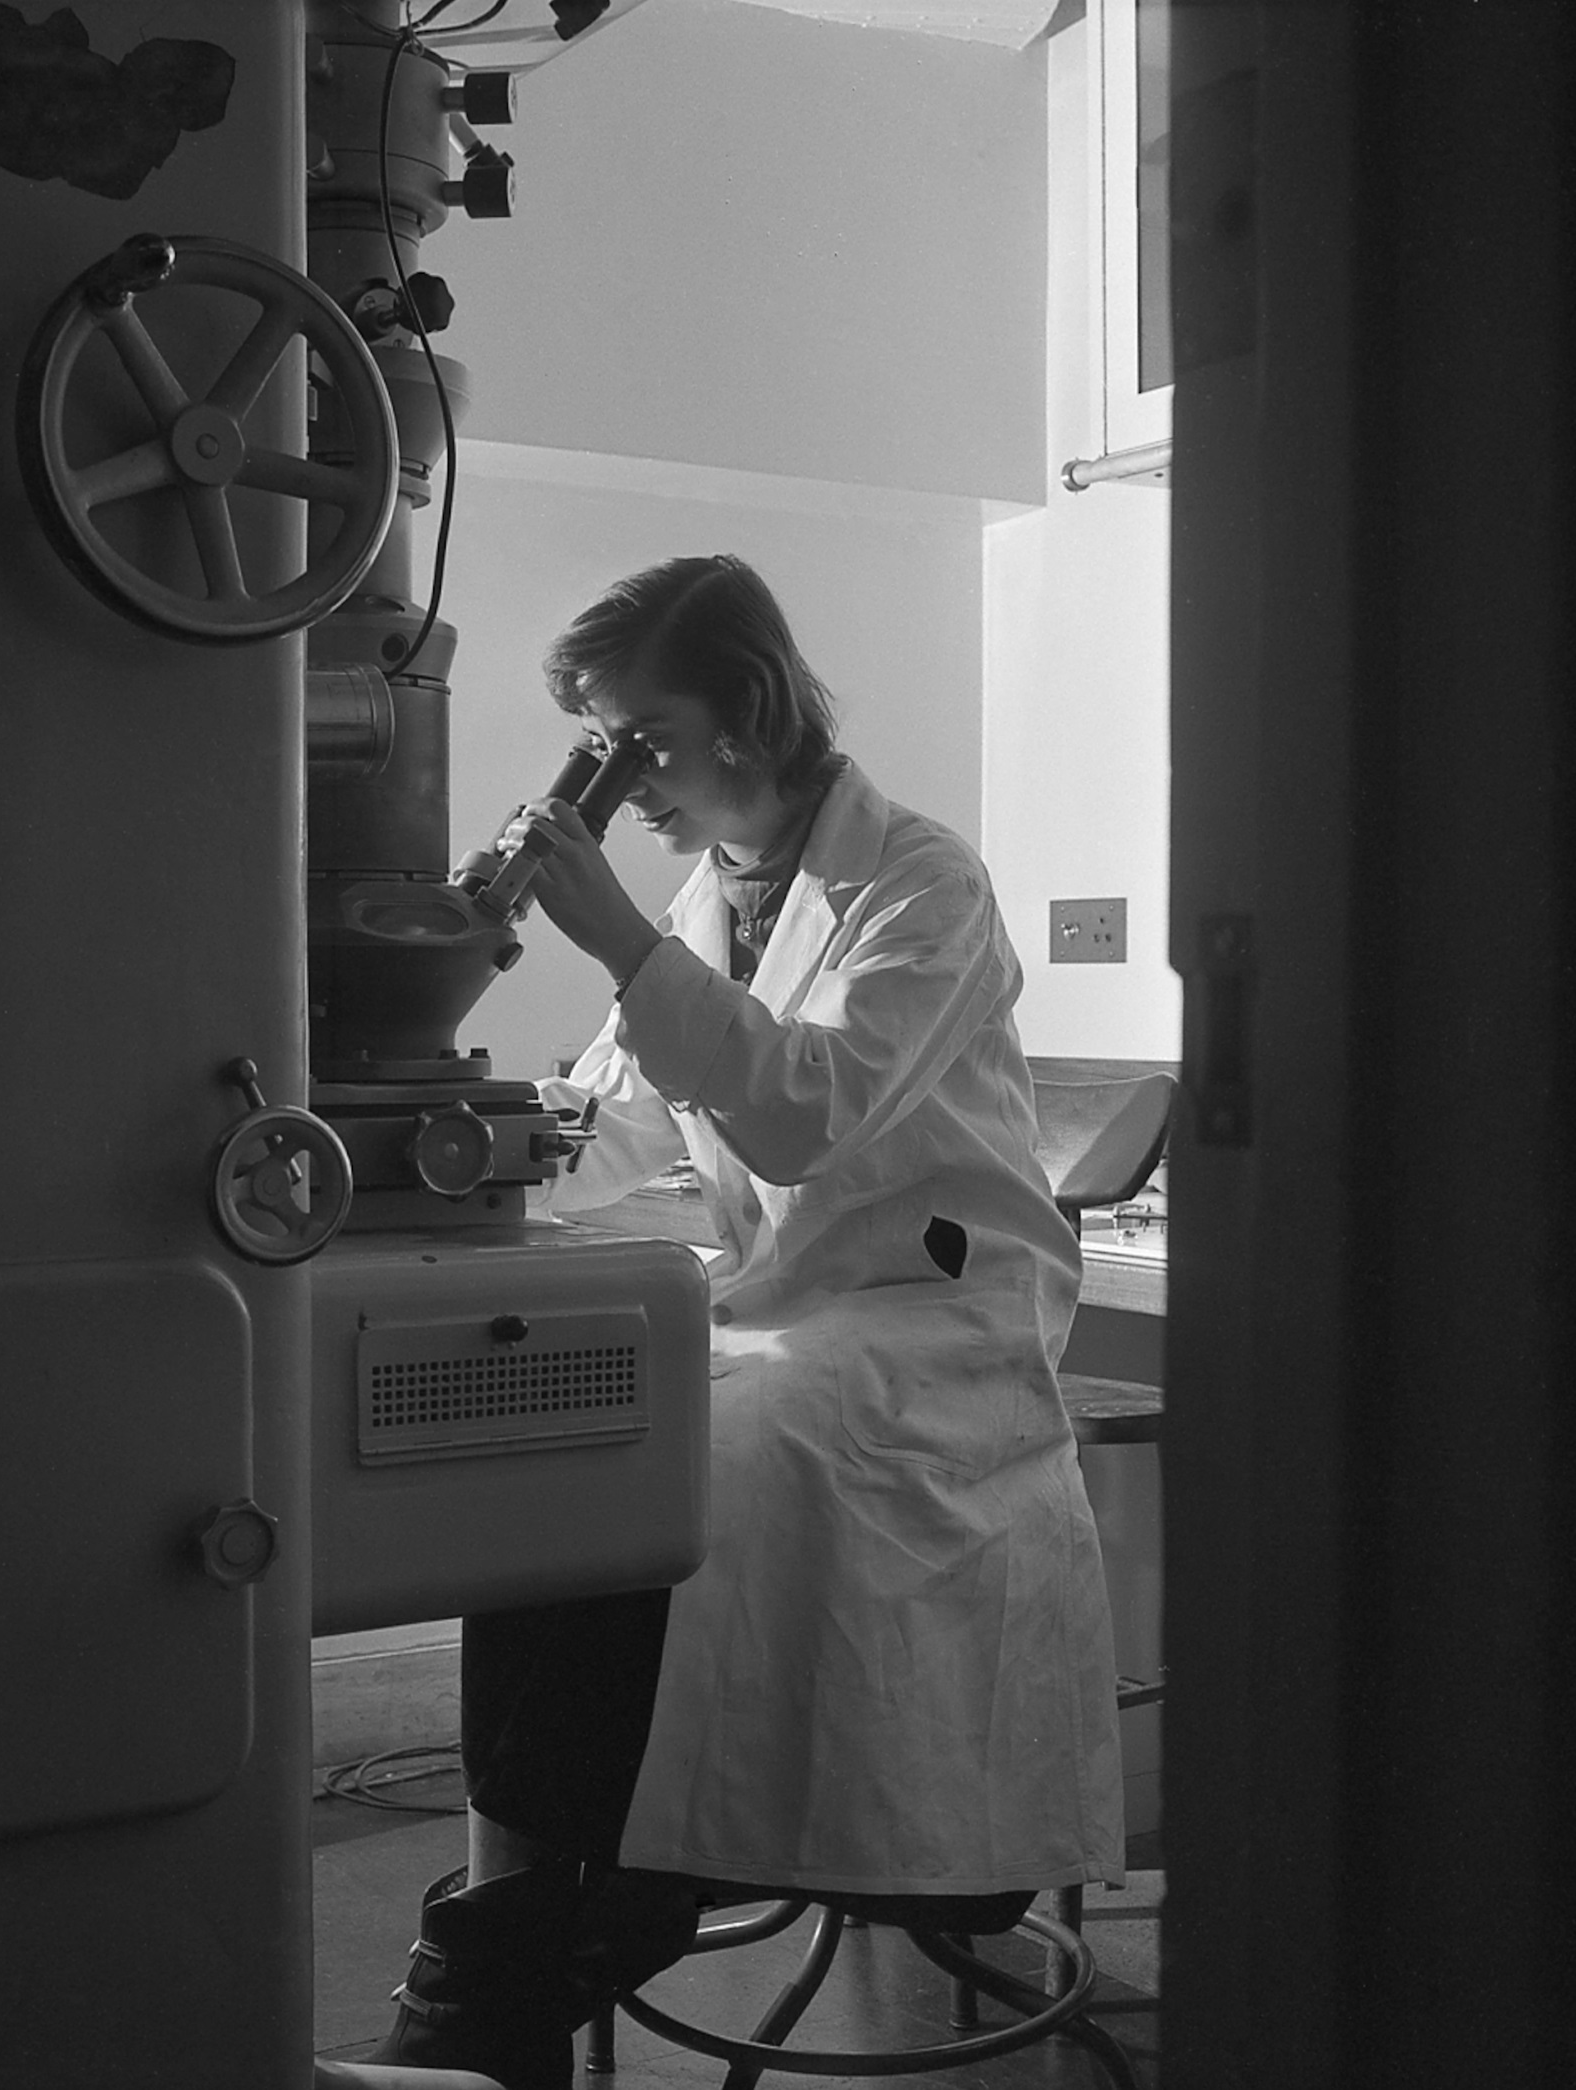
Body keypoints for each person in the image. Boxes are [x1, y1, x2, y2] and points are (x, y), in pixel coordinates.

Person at [368, 555, 1124, 2090]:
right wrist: (475, 1130)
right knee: (562, 1450)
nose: (618, 779)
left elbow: (800, 1113)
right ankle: (542, 1911)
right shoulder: (716, 894)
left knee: (712, 1452)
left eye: (640, 738)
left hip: (921, 1336)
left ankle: (583, 1920)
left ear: (749, 708)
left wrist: (620, 944)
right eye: (599, 742)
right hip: (785, 1316)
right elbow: (631, 1125)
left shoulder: (926, 884)